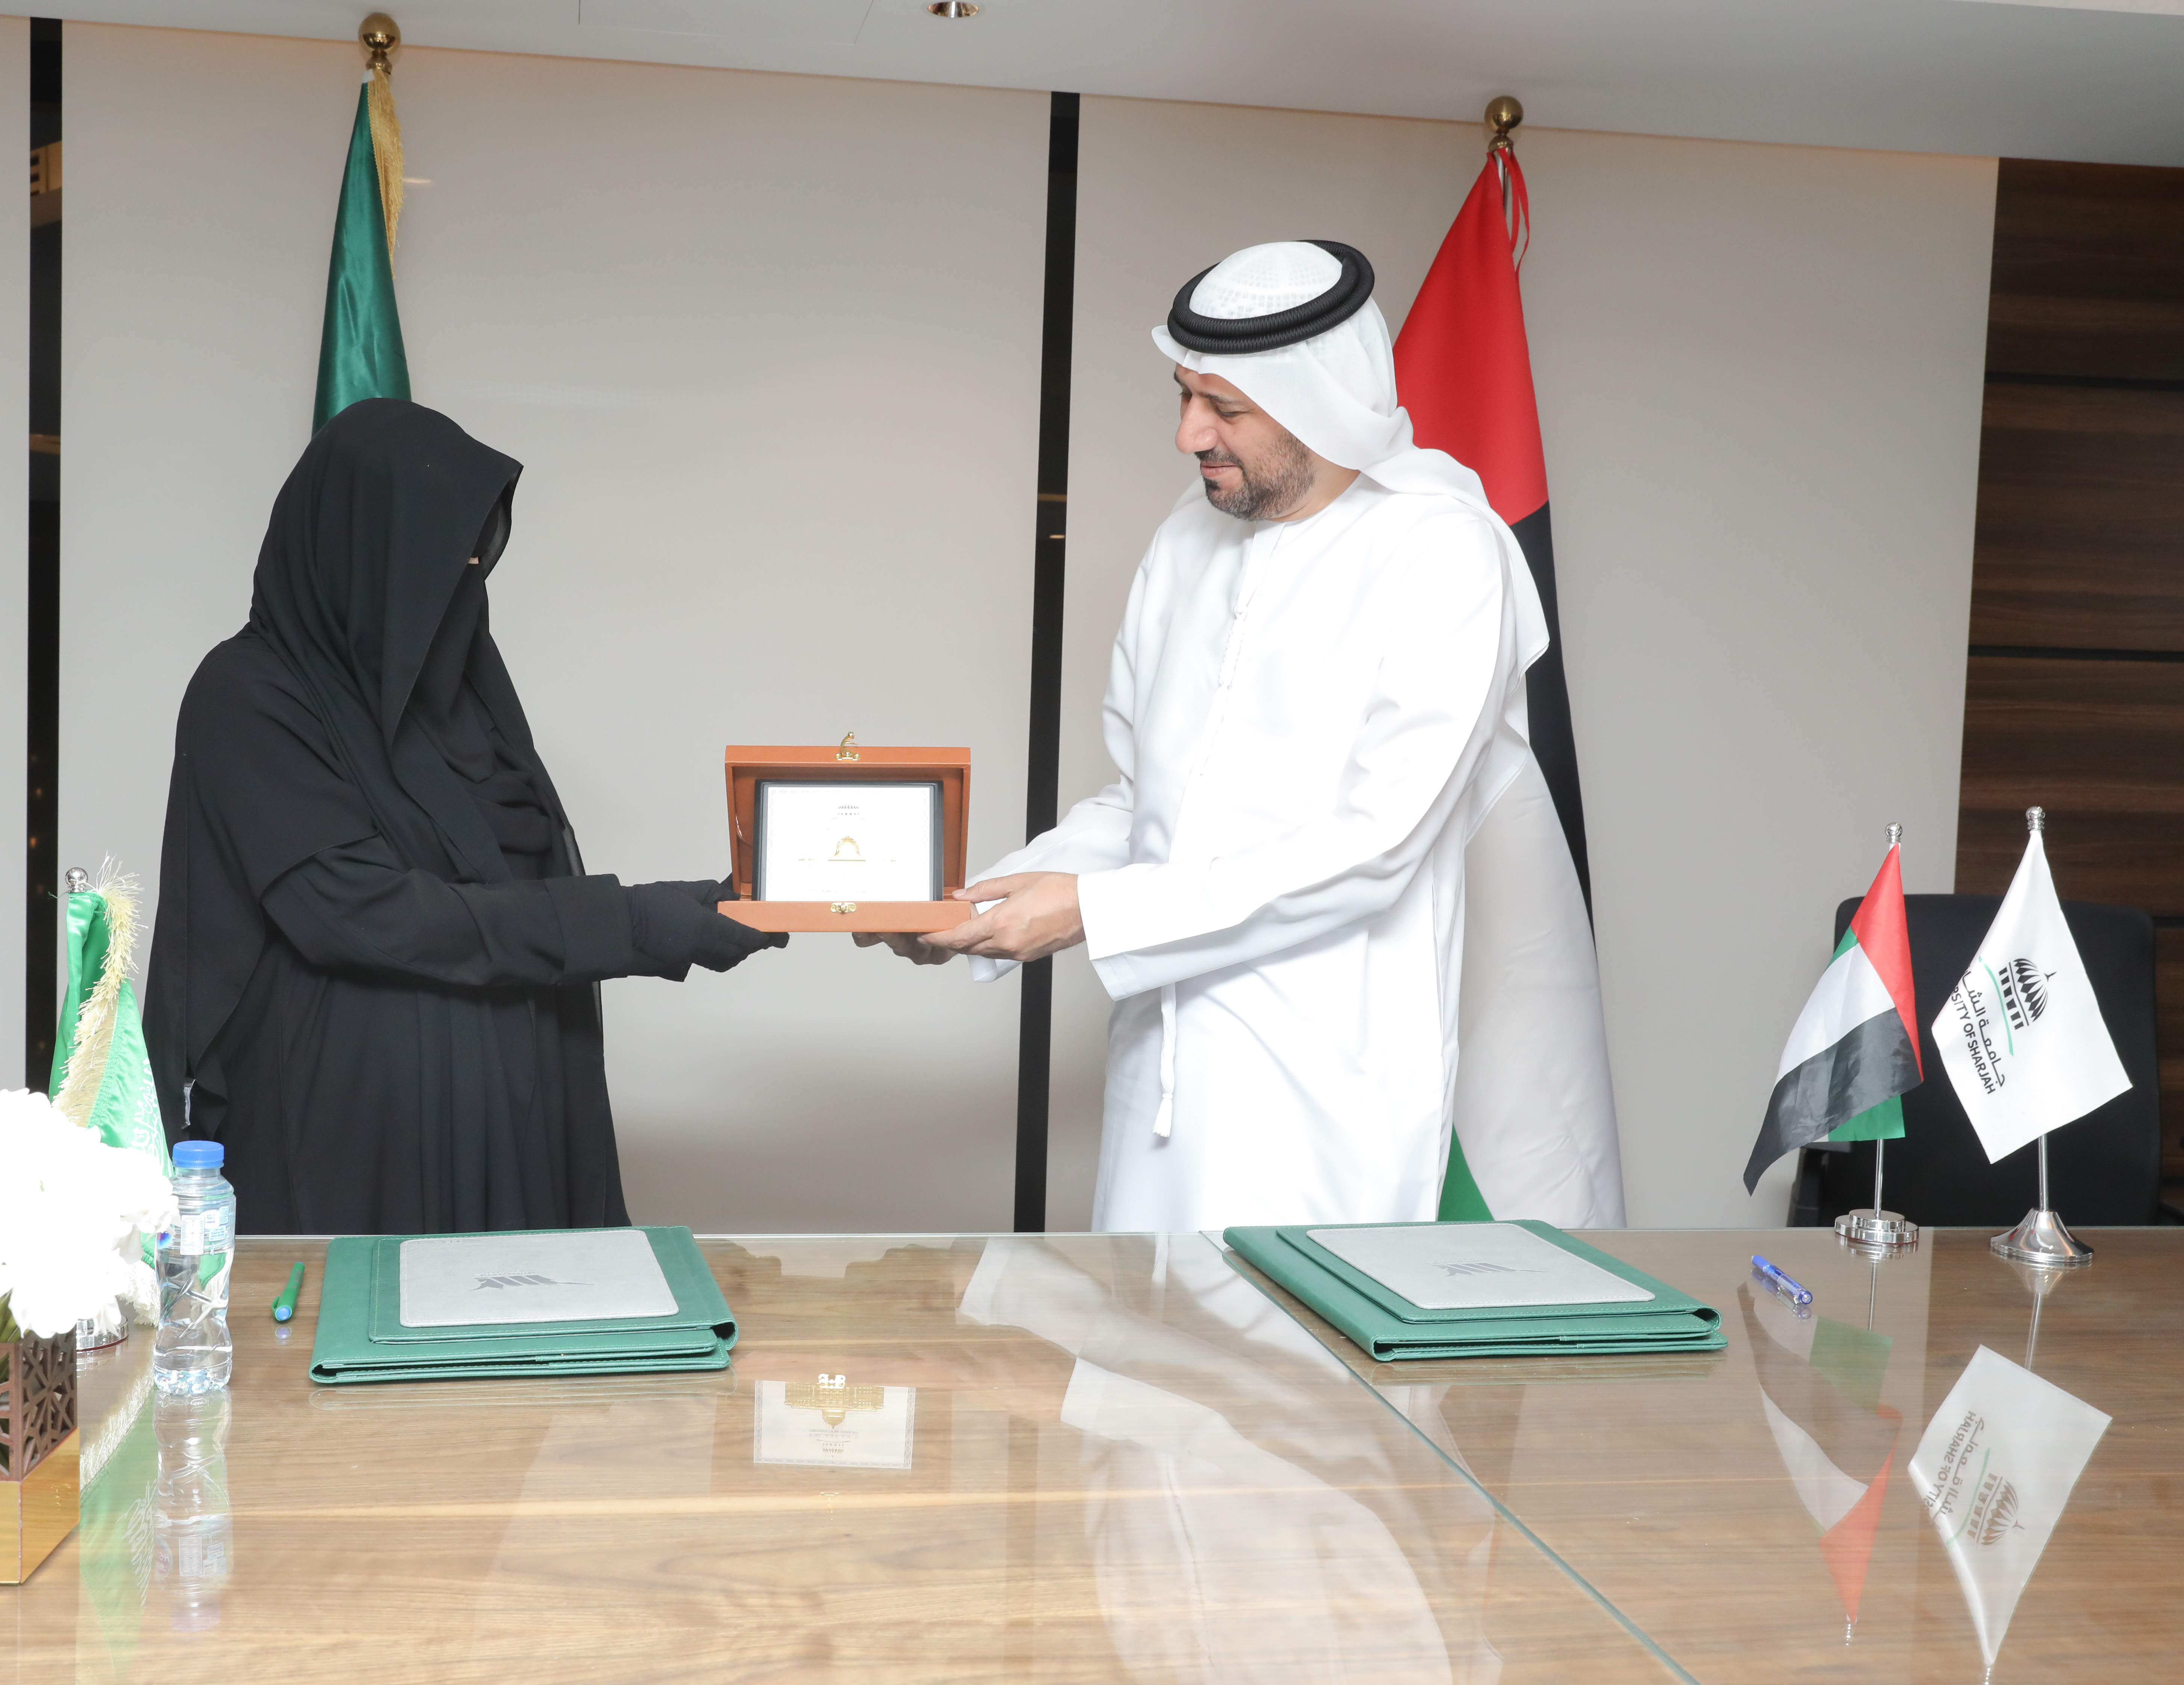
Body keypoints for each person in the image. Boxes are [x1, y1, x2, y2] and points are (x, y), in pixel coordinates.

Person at [868, 240, 1623, 1231]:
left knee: (1303, 1379)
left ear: (1322, 401)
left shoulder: (1440, 552)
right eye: (1183, 396)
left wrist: (1095, 913)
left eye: (1224, 408)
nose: (1189, 433)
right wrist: (986, 905)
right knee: (1138, 1367)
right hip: (1161, 1077)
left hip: (1328, 1095)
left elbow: (1378, 845)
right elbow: (1146, 802)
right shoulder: (1186, 539)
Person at [146, 399, 785, 1235]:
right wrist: (635, 922)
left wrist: (697, 907)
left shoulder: (459, 692)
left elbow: (519, 874)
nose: (465, 572)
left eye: (477, 551)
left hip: (518, 1118)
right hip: (354, 1149)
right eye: (436, 554)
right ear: (358, 552)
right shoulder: (247, 694)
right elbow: (361, 913)